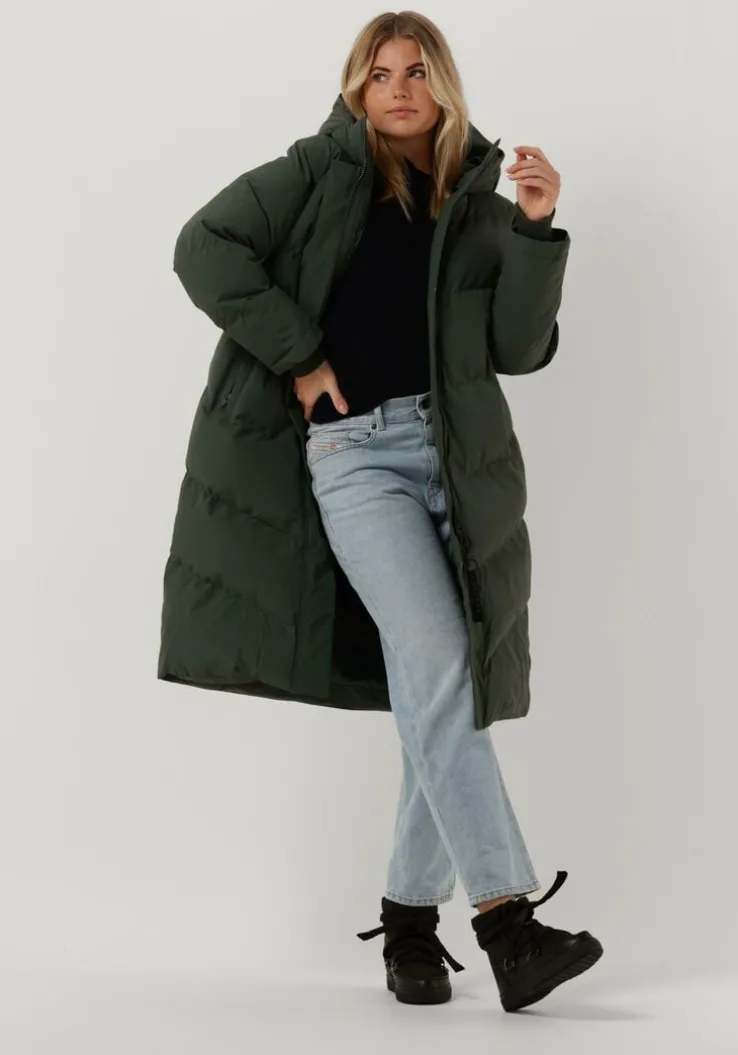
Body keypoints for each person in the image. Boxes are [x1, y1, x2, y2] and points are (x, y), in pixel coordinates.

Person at [158, 10, 603, 1012]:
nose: (398, 89)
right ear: (357, 87)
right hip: (356, 457)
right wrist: (301, 355)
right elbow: (203, 245)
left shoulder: (478, 201)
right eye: (379, 72)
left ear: (443, 85)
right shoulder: (317, 171)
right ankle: (509, 924)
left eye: (416, 71)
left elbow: (519, 349)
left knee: (432, 689)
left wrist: (535, 229)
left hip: (458, 463)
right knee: (441, 668)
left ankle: (408, 924)